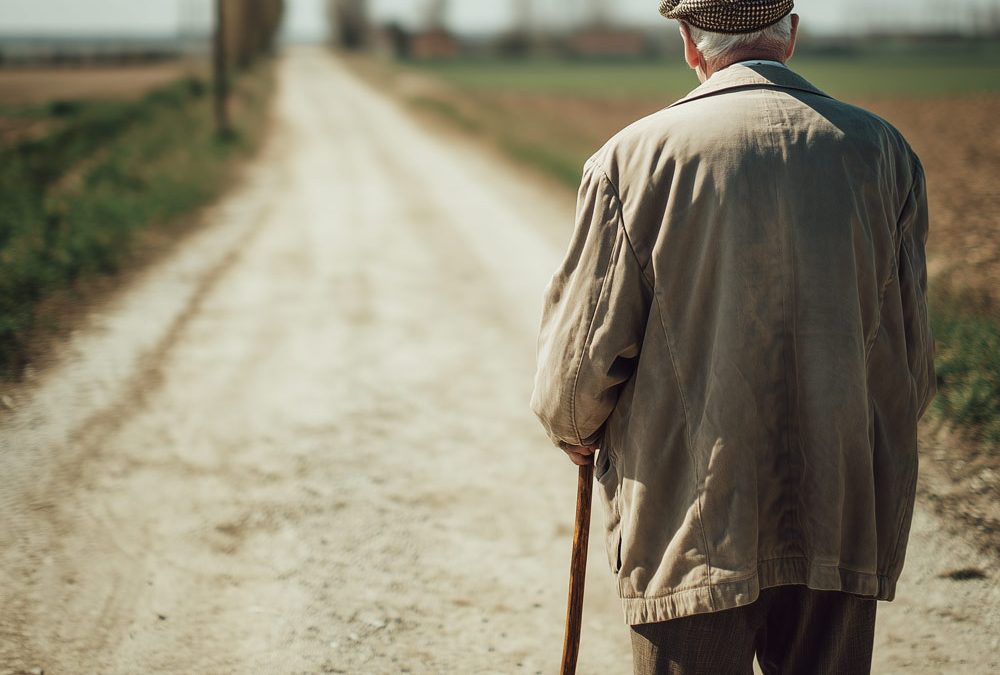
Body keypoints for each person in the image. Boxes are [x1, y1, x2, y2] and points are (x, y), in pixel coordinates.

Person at [530, 1, 936, 673]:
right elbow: (912, 363)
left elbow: (576, 378)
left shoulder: (633, 160)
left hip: (691, 525)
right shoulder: (883, 152)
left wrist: (574, 425)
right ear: (792, 34)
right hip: (838, 514)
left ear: (690, 43)